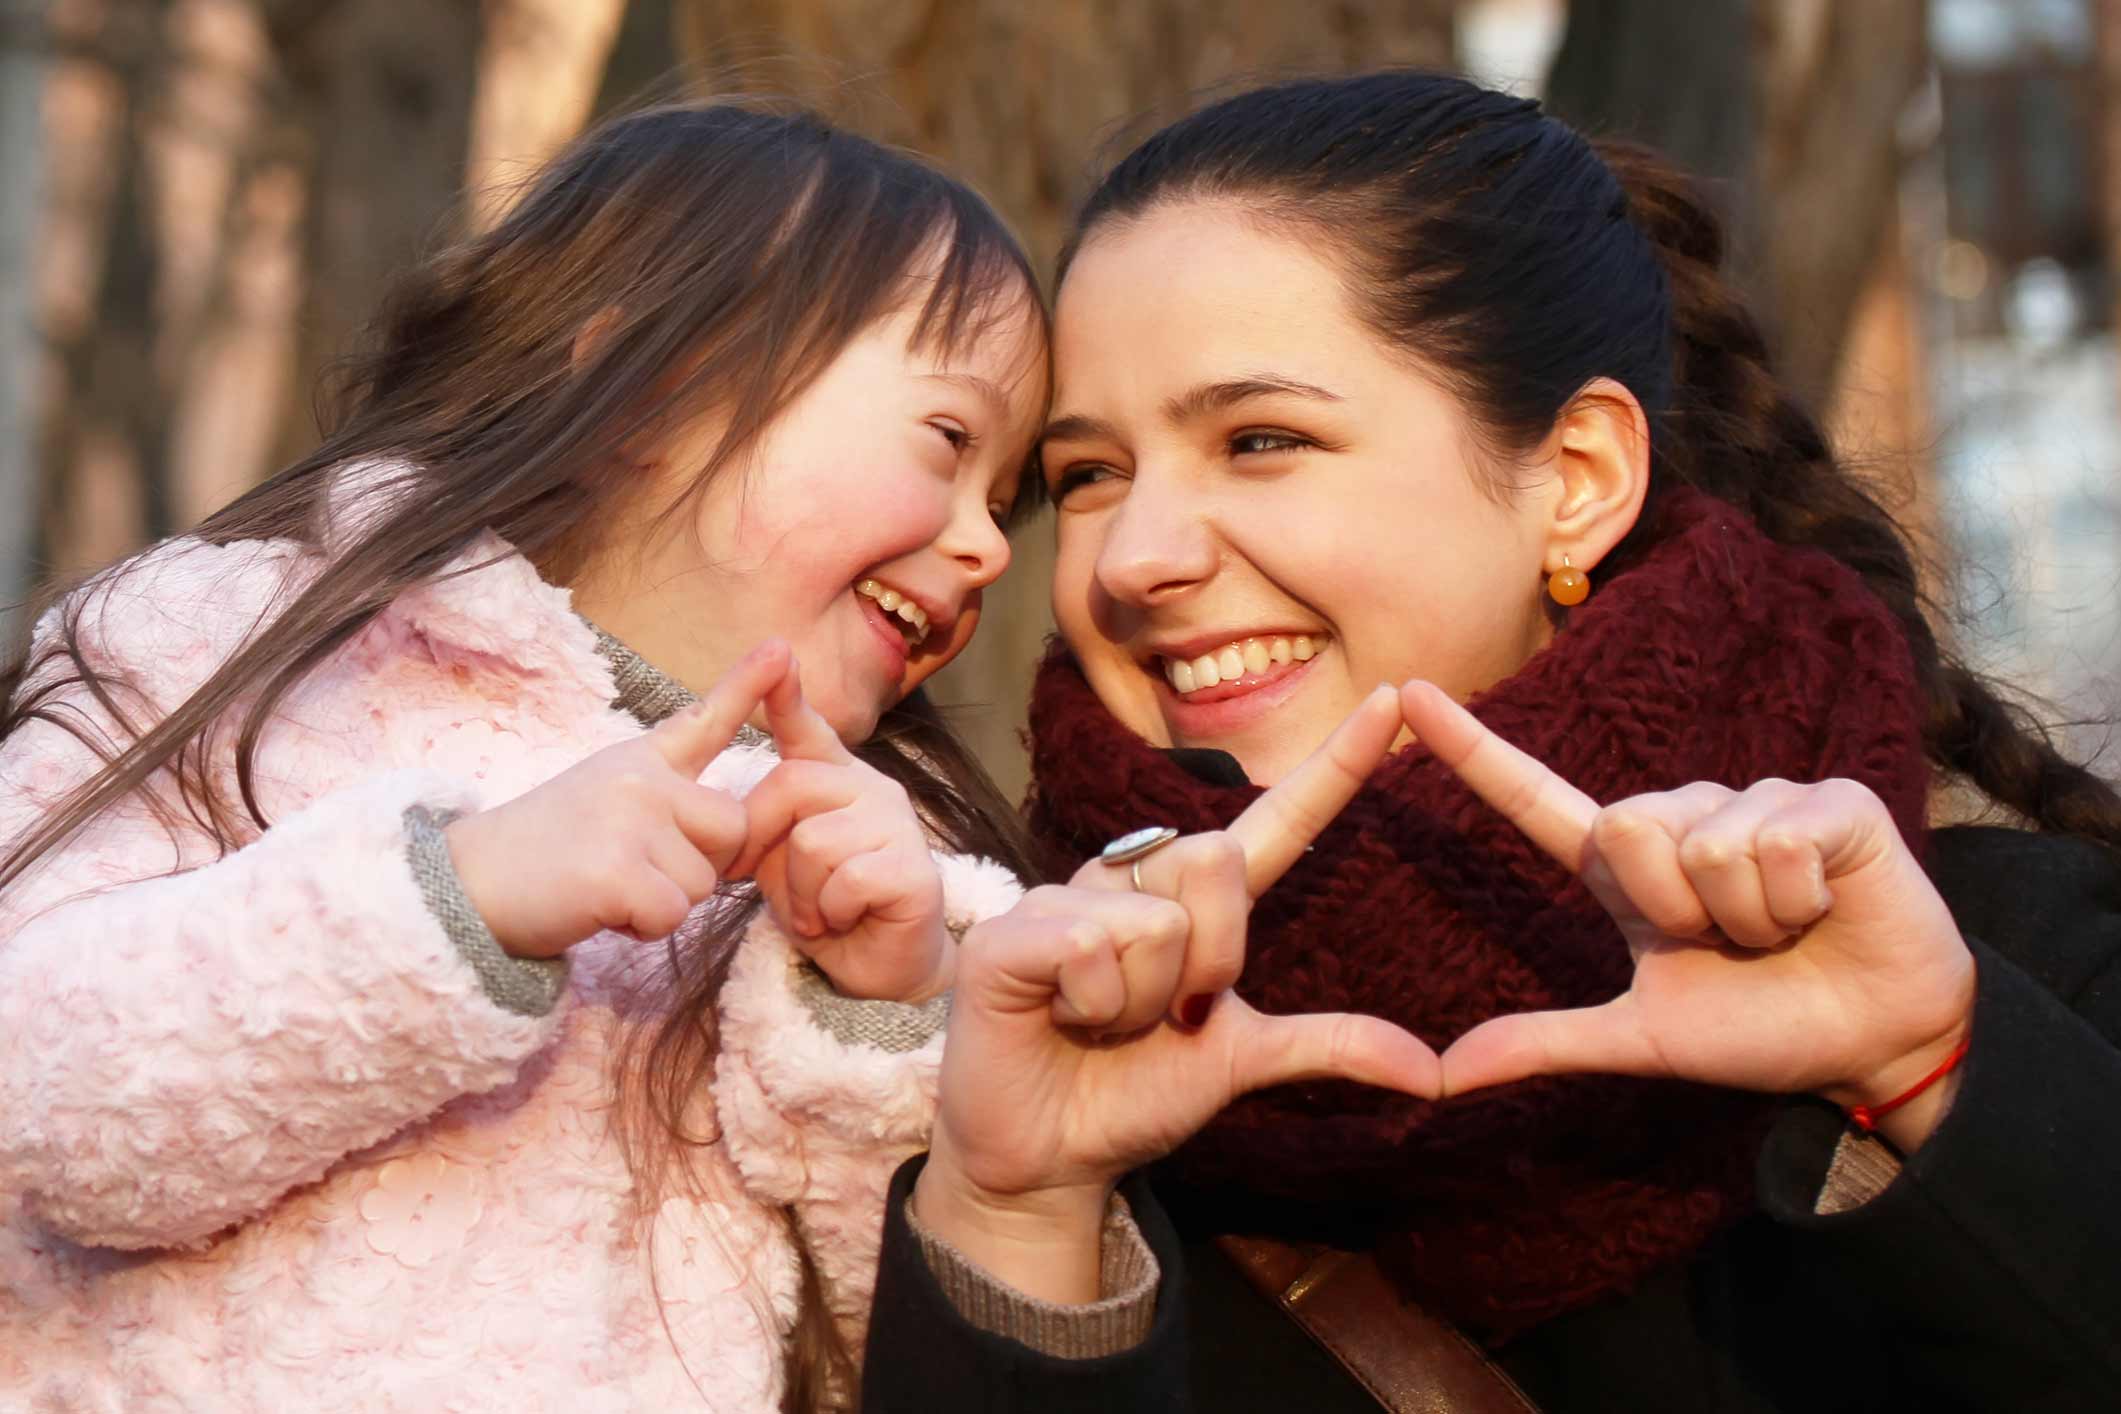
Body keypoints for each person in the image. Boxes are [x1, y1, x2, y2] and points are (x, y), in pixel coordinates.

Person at [861, 71, 2121, 1412]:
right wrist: (1017, 1222)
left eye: (1260, 437)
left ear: (1573, 481)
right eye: (1088, 476)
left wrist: (1945, 1093)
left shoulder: (2009, 970)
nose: (1139, 558)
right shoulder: (1023, 1077)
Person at [0, 101, 1063, 1413]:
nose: (990, 546)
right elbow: (37, 1109)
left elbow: (892, 1365)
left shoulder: (900, 873)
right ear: (656, 394)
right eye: (949, 445)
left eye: (1004, 497)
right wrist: (456, 897)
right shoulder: (239, 651)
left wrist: (881, 1017)